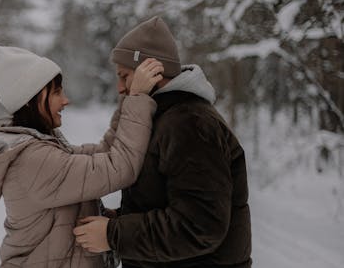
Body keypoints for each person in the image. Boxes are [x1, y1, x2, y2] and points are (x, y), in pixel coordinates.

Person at [73, 16, 252, 268]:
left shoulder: (190, 123)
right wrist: (120, 219)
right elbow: (167, 201)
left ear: (151, 71)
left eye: (124, 76)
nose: (120, 87)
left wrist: (114, 234)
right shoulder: (167, 118)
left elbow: (199, 226)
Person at [0, 44, 164, 268]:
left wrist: (129, 96)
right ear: (31, 99)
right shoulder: (33, 161)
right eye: (56, 92)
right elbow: (119, 166)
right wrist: (138, 97)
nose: (65, 100)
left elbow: (106, 150)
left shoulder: (40, 148)